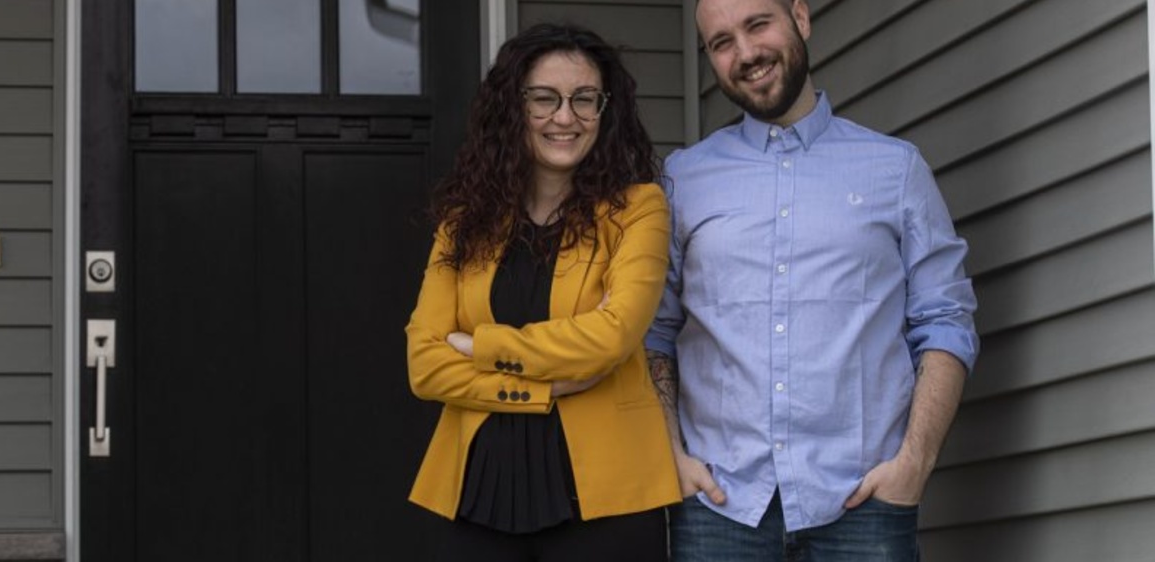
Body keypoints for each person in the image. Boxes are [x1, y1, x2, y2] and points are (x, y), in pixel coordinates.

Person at [645, 0, 980, 560]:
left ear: (800, 17)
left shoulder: (896, 170)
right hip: (720, 507)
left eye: (758, 25)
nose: (746, 53)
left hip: (863, 504)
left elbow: (945, 321)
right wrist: (671, 456)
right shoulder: (682, 180)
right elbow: (654, 332)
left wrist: (913, 465)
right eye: (721, 42)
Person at [405, 22, 680, 562]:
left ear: (606, 110)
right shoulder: (464, 223)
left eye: (584, 100)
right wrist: (544, 390)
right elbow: (423, 363)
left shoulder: (637, 210)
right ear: (513, 108)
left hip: (608, 499)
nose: (564, 117)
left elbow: (614, 335)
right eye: (544, 99)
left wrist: (479, 346)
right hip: (476, 494)